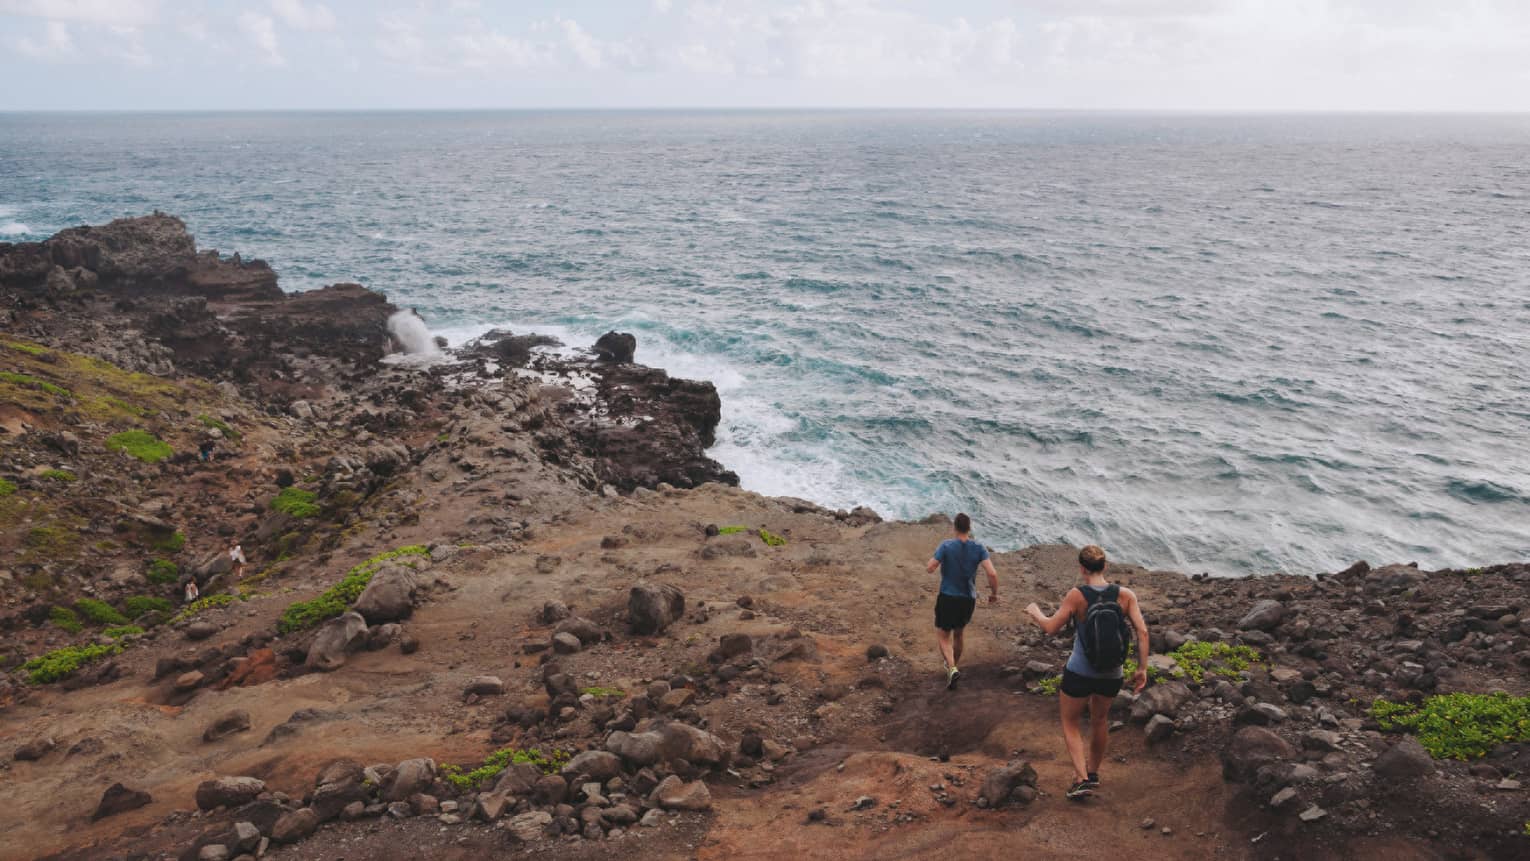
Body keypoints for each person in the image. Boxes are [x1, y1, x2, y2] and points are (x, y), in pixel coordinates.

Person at [1025, 545, 1150, 800]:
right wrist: (1142, 668)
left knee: (1070, 723)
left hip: (1080, 672)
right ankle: (1092, 773)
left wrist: (1035, 612)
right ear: (1105, 566)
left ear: (1082, 568)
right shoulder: (1126, 595)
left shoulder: (1077, 596)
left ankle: (1081, 778)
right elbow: (1143, 632)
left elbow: (1051, 628)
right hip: (1111, 673)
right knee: (1100, 720)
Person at [925, 512, 999, 690]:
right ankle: (953, 667)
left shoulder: (946, 545)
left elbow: (930, 567)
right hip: (968, 599)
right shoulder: (979, 547)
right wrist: (994, 594)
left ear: (955, 528)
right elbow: (992, 573)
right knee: (958, 634)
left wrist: (935, 563)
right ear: (969, 528)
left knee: (943, 635)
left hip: (948, 597)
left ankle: (951, 668)